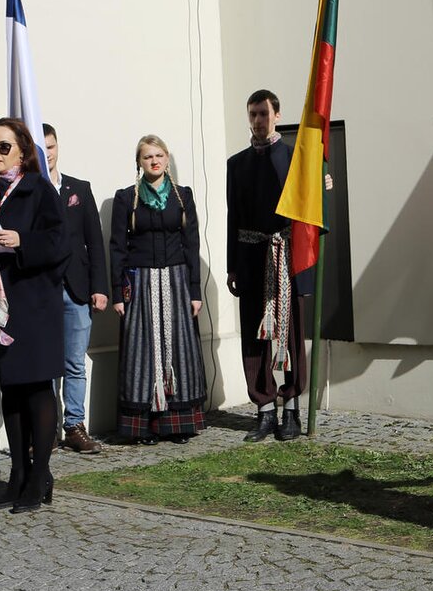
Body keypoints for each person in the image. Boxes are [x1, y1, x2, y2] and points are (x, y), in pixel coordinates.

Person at [0, 118, 70, 513]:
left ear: (23, 150)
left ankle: (40, 477)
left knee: (37, 389)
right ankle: (18, 474)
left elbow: (60, 244)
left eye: (4, 147)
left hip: (33, 304)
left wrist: (23, 241)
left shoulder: (38, 189)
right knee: (10, 390)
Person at [110, 135, 207, 444]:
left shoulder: (183, 196)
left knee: (179, 348)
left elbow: (192, 243)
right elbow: (116, 247)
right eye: (147, 156)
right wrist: (116, 293)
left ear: (167, 158)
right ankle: (144, 425)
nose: (154, 161)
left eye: (159, 155)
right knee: (143, 351)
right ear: (139, 163)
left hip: (177, 279)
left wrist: (195, 290)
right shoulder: (126, 198)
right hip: (140, 281)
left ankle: (177, 424)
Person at [226, 89, 309, 442]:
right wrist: (232, 266)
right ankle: (263, 408)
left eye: (263, 113)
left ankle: (290, 409)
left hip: (286, 257)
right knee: (254, 336)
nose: (258, 120)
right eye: (253, 115)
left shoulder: (295, 159)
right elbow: (234, 217)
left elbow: (309, 213)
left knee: (288, 332)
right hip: (250, 255)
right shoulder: (236, 164)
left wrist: (322, 183)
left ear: (277, 114)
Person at [42, 122, 107, 454]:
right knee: (47, 364)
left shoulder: (79, 189)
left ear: (58, 147)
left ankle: (75, 426)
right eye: (41, 148)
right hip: (42, 291)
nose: (47, 153)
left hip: (77, 289)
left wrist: (100, 287)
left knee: (74, 363)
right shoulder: (29, 191)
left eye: (51, 146)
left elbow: (94, 242)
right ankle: (47, 429)